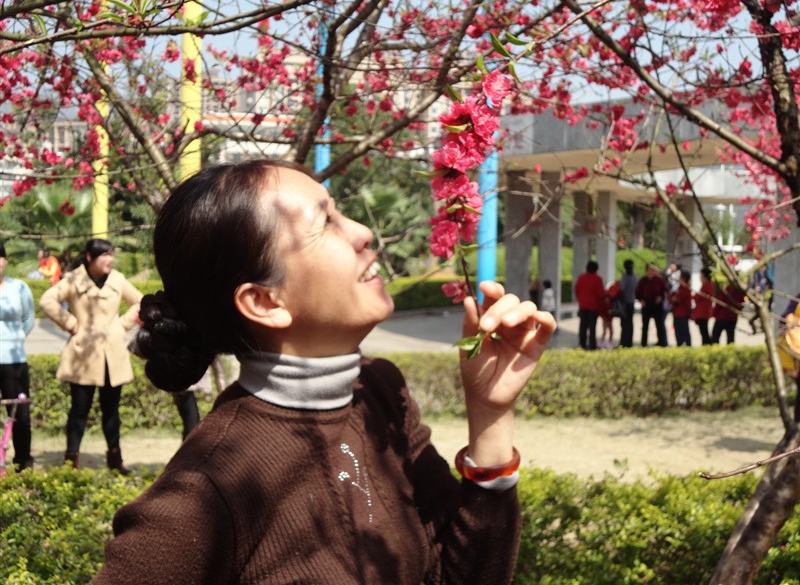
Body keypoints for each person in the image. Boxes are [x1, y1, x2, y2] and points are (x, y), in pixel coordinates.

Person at [91, 160, 556, 584]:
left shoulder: (379, 390)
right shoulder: (212, 483)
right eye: (326, 223)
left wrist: (491, 414)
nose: (362, 232)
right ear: (264, 302)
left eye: (340, 211)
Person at [39, 239, 143, 474]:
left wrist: (122, 325)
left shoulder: (117, 278)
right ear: (89, 257)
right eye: (104, 255)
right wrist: (72, 324)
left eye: (111, 255)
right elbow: (47, 300)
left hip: (112, 355)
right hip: (83, 354)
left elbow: (140, 301)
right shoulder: (74, 279)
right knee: (79, 410)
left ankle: (115, 460)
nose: (109, 259)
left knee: (112, 411)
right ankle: (71, 460)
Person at [0, 243, 35, 471]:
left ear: (5, 260)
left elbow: (29, 319)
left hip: (13, 359)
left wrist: (15, 339)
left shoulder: (19, 288)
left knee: (20, 413)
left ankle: (22, 459)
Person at [574, 260, 605, 350]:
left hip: (583, 306)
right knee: (592, 327)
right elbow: (600, 294)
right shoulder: (597, 279)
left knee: (583, 326)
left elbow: (576, 289)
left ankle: (582, 345)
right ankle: (592, 346)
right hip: (593, 307)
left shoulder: (581, 277)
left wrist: (580, 299)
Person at [635, 264, 668, 347]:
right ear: (647, 270)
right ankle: (644, 343)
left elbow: (664, 291)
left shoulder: (658, 280)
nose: (652, 271)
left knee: (659, 324)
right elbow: (637, 292)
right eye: (650, 269)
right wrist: (641, 300)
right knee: (645, 325)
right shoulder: (643, 280)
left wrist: (661, 297)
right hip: (646, 303)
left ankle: (662, 342)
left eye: (653, 270)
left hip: (657, 304)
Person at [670, 271, 692, 347]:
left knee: (682, 331)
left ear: (684, 278)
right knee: (681, 331)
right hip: (679, 313)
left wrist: (672, 297)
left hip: (682, 313)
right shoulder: (682, 287)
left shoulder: (685, 288)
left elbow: (675, 299)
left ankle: (684, 345)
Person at [692, 268, 714, 345]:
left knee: (704, 333)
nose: (700, 277)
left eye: (701, 275)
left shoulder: (707, 286)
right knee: (704, 332)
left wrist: (693, 296)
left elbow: (697, 297)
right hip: (705, 312)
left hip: (703, 313)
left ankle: (707, 346)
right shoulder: (709, 285)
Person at [618, 260, 637, 347]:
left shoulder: (625, 277)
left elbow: (621, 290)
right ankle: (627, 342)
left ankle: (625, 342)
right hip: (630, 303)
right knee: (628, 323)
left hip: (626, 303)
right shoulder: (635, 277)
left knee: (625, 324)